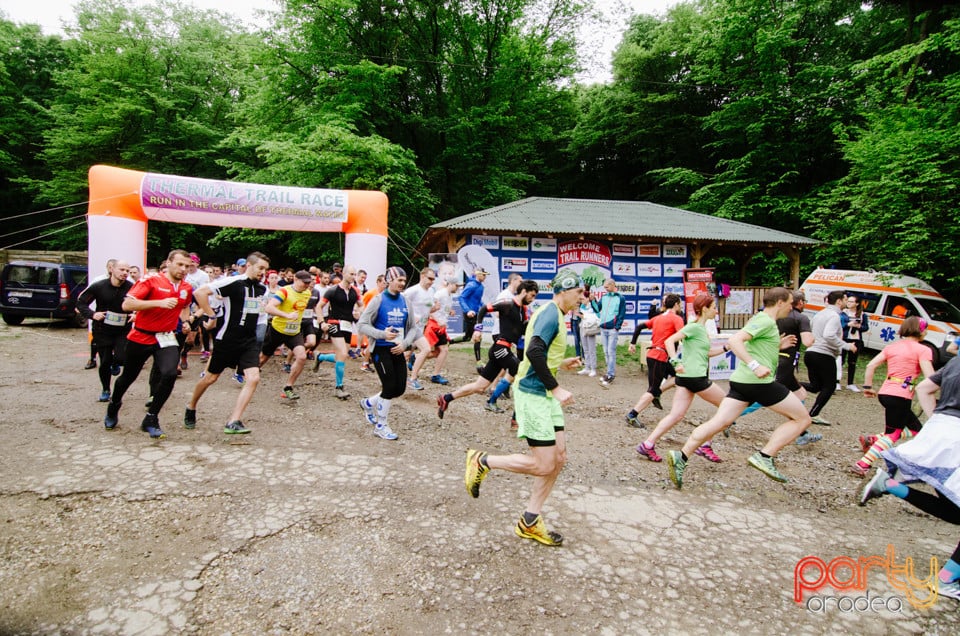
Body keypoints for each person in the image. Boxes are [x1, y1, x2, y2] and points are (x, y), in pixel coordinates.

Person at [463, 274, 583, 547]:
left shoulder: (555, 313)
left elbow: (540, 355)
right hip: (533, 394)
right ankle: (483, 461)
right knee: (543, 464)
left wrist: (560, 364)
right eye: (578, 291)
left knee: (559, 458)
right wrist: (556, 388)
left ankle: (529, 521)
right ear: (563, 291)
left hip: (544, 394)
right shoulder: (551, 314)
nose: (581, 296)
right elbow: (534, 351)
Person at [664, 287, 812, 488]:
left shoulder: (759, 319)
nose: (791, 307)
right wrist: (755, 365)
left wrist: (778, 345)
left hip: (741, 382)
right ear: (780, 302)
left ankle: (681, 456)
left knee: (720, 422)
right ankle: (765, 455)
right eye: (789, 303)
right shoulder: (765, 320)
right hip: (758, 383)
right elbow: (735, 340)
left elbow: (754, 345)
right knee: (803, 419)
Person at [859, 356, 960, 602]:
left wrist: (935, 419)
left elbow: (924, 388)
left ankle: (890, 485)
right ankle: (945, 579)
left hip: (940, 429)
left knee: (955, 511)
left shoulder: (956, 361)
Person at [103, 250, 194, 439]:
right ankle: (114, 405)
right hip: (142, 336)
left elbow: (183, 306)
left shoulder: (186, 287)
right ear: (168, 263)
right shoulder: (150, 281)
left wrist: (185, 322)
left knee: (169, 374)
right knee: (128, 376)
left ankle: (151, 418)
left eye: (187, 266)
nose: (184, 269)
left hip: (167, 337)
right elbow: (127, 305)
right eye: (180, 264)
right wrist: (158, 303)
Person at [183, 252, 270, 434]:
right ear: (249, 265)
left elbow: (262, 311)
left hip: (249, 341)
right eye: (260, 268)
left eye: (266, 269)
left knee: (253, 378)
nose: (263, 272)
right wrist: (211, 315)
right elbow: (200, 293)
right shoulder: (233, 282)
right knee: (210, 378)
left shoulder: (263, 289)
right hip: (227, 340)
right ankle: (191, 406)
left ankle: (234, 420)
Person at [635, 293, 726, 463]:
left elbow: (707, 353)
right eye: (714, 307)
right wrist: (675, 362)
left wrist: (728, 347)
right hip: (695, 377)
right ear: (705, 309)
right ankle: (705, 443)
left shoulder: (700, 329)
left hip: (686, 378)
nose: (716, 310)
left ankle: (647, 444)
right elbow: (670, 341)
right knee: (727, 405)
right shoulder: (694, 327)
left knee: (676, 415)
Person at [437, 280, 539, 419]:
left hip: (504, 349)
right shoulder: (508, 304)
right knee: (520, 370)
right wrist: (478, 329)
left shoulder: (523, 310)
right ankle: (518, 416)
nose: (532, 299)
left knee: (480, 387)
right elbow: (484, 308)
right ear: (523, 291)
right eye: (531, 295)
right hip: (500, 347)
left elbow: (519, 332)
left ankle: (446, 398)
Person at [853, 316, 935, 475]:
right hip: (901, 396)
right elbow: (930, 376)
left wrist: (868, 387)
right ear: (920, 330)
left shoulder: (893, 346)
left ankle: (873, 439)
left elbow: (871, 365)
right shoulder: (923, 350)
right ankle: (863, 464)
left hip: (886, 393)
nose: (926, 332)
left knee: (917, 429)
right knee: (894, 434)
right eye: (925, 329)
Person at [358, 267, 417, 440]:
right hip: (381, 349)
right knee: (389, 386)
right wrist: (382, 334)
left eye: (404, 280)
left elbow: (413, 327)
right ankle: (381, 425)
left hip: (397, 348)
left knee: (399, 389)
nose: (402, 283)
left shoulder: (406, 301)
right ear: (389, 280)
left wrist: (405, 343)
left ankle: (368, 403)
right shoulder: (378, 300)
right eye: (399, 280)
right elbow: (362, 325)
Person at [77, 260, 133, 402]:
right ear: (112, 269)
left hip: (123, 329)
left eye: (127, 270)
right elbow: (81, 302)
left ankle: (116, 363)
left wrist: (136, 314)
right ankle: (106, 389)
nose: (125, 273)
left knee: (121, 358)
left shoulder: (132, 287)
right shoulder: (99, 286)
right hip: (102, 330)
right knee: (105, 361)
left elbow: (141, 303)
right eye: (122, 269)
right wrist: (92, 314)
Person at [625, 293, 684, 426]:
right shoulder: (676, 318)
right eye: (680, 304)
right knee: (652, 388)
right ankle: (632, 414)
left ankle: (657, 393)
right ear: (676, 304)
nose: (680, 307)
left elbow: (639, 326)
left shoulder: (657, 318)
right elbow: (684, 336)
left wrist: (633, 343)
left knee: (678, 375)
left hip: (654, 355)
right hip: (660, 357)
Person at [801, 290, 856, 425]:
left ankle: (787, 384)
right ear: (839, 301)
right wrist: (847, 346)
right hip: (824, 354)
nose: (846, 302)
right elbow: (829, 335)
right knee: (830, 386)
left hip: (811, 353)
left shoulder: (819, 314)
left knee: (815, 386)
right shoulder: (834, 316)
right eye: (845, 299)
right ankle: (814, 414)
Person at [258, 270, 315, 400]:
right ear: (295, 279)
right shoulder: (284, 291)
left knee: (301, 357)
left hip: (294, 332)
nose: (306, 285)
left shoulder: (307, 293)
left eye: (308, 283)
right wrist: (286, 315)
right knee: (263, 358)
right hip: (277, 330)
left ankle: (288, 387)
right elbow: (269, 308)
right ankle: (249, 376)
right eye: (304, 283)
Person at [320, 264, 364, 399]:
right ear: (343, 274)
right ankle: (339, 387)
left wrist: (358, 312)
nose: (353, 277)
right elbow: (319, 306)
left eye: (354, 274)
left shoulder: (355, 291)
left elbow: (362, 305)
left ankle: (320, 357)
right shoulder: (333, 291)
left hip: (348, 325)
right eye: (351, 274)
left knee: (342, 356)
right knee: (343, 353)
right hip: (334, 323)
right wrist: (322, 322)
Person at [404, 267, 440, 390]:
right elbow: (401, 304)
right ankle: (412, 378)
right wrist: (413, 316)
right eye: (430, 278)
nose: (431, 282)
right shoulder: (413, 290)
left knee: (407, 354)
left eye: (433, 280)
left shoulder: (430, 292)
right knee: (426, 349)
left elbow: (427, 309)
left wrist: (435, 309)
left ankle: (397, 376)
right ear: (422, 276)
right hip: (410, 326)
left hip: (421, 326)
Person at [593, 278, 626, 387]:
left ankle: (611, 374)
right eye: (604, 287)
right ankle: (608, 373)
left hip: (612, 329)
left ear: (612, 285)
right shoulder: (604, 297)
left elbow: (622, 313)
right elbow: (597, 309)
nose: (605, 289)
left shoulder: (620, 298)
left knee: (611, 352)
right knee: (606, 352)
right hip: (603, 328)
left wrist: (617, 326)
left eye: (607, 287)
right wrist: (593, 300)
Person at [459, 268, 489, 362]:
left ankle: (449, 341)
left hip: (476, 314)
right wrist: (467, 310)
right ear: (478, 274)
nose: (485, 277)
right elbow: (461, 297)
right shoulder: (471, 285)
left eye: (485, 275)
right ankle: (479, 362)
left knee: (468, 337)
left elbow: (478, 301)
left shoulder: (481, 286)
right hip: (470, 314)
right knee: (477, 337)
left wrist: (483, 307)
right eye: (483, 275)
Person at [841, 293, 869, 391]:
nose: (849, 303)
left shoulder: (862, 314)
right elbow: (839, 325)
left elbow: (866, 327)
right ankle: (836, 381)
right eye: (848, 301)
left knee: (852, 362)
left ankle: (850, 383)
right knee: (841, 360)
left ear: (857, 304)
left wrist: (859, 326)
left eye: (851, 301)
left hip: (856, 339)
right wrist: (848, 324)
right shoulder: (843, 313)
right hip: (844, 339)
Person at [576, 288, 600, 377]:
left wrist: (584, 316)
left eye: (583, 299)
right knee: (585, 349)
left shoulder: (593, 305)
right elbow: (580, 316)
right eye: (581, 299)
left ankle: (593, 369)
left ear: (587, 298)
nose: (581, 301)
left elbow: (597, 315)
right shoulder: (582, 306)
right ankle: (587, 367)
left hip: (591, 329)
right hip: (583, 327)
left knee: (591, 349)